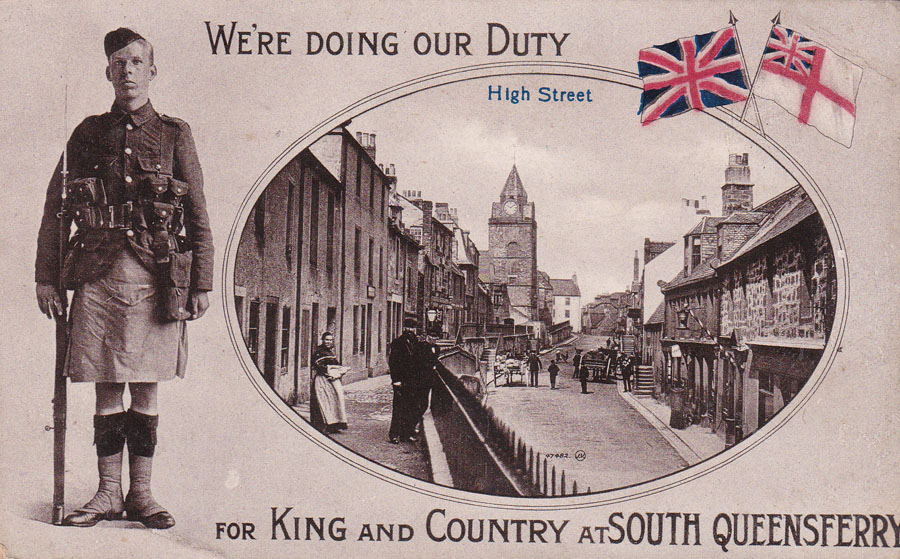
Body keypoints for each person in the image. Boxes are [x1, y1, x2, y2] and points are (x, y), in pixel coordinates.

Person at [35, 28, 213, 529]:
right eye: (119, 63)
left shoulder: (175, 133)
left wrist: (202, 281)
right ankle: (108, 492)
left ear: (152, 71)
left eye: (137, 62)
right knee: (107, 387)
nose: (128, 71)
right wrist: (46, 277)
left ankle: (142, 494)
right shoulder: (88, 132)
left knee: (148, 388)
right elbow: (55, 207)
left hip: (157, 278)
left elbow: (198, 211)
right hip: (97, 276)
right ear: (108, 72)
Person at [388, 318, 430, 443]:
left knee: (410, 407)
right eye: (408, 328)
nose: (411, 330)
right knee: (398, 407)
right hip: (401, 380)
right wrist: (396, 380)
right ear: (404, 328)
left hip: (412, 382)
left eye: (413, 328)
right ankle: (394, 434)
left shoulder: (416, 343)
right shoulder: (398, 343)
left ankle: (406, 433)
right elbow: (393, 363)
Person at [311, 332, 348, 433]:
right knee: (323, 402)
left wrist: (339, 370)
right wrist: (329, 370)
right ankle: (322, 426)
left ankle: (334, 425)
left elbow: (336, 364)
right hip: (322, 380)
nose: (328, 342)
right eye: (326, 340)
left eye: (330, 340)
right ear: (322, 340)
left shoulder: (330, 352)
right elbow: (317, 366)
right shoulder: (319, 352)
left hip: (332, 380)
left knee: (334, 401)